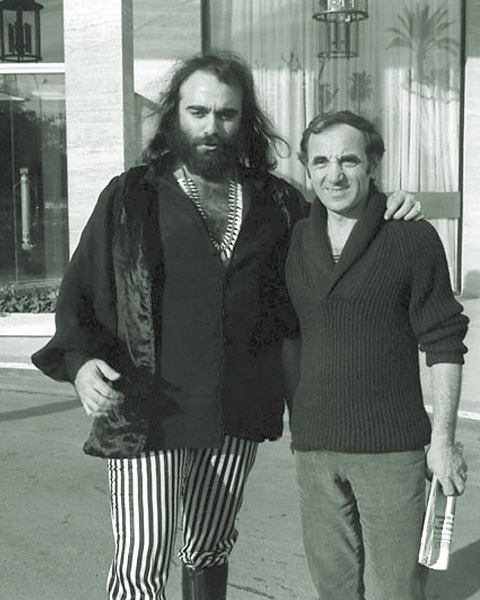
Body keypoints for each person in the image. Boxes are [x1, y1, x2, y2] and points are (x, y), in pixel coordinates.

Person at [32, 52, 421, 600]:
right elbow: (82, 290)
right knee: (140, 563)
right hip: (146, 411)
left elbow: (337, 229)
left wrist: (388, 204)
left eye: (226, 114)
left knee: (210, 547)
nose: (211, 126)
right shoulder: (131, 195)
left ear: (245, 120)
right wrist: (79, 363)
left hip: (236, 411)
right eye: (198, 112)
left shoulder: (277, 203)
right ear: (175, 115)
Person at [285, 110, 469, 600]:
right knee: (333, 590)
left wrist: (443, 442)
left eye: (349, 160)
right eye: (320, 162)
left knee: (397, 591)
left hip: (391, 450)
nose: (334, 174)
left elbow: (444, 341)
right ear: (307, 169)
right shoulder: (296, 239)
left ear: (372, 165)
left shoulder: (411, 236)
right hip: (314, 449)